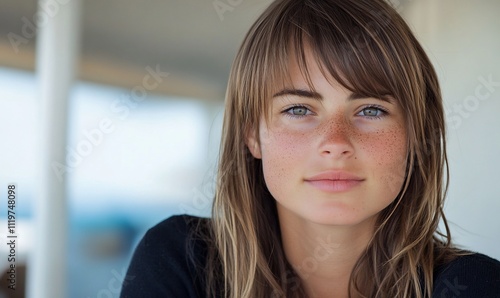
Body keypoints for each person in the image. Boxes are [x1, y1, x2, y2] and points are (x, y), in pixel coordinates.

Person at [120, 0, 500, 297]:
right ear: (252, 133)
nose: (335, 143)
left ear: (416, 134)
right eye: (298, 109)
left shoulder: (474, 286)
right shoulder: (180, 262)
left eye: (370, 110)